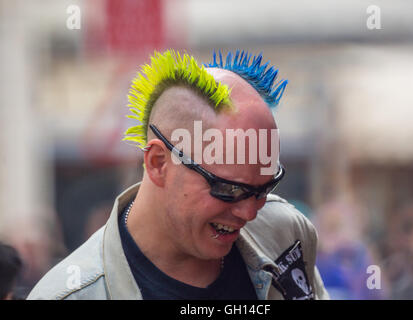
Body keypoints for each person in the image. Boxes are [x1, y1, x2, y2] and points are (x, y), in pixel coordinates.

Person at [27, 50, 329, 300]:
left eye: (263, 188)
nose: (250, 212)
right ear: (159, 163)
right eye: (228, 189)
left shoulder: (285, 232)